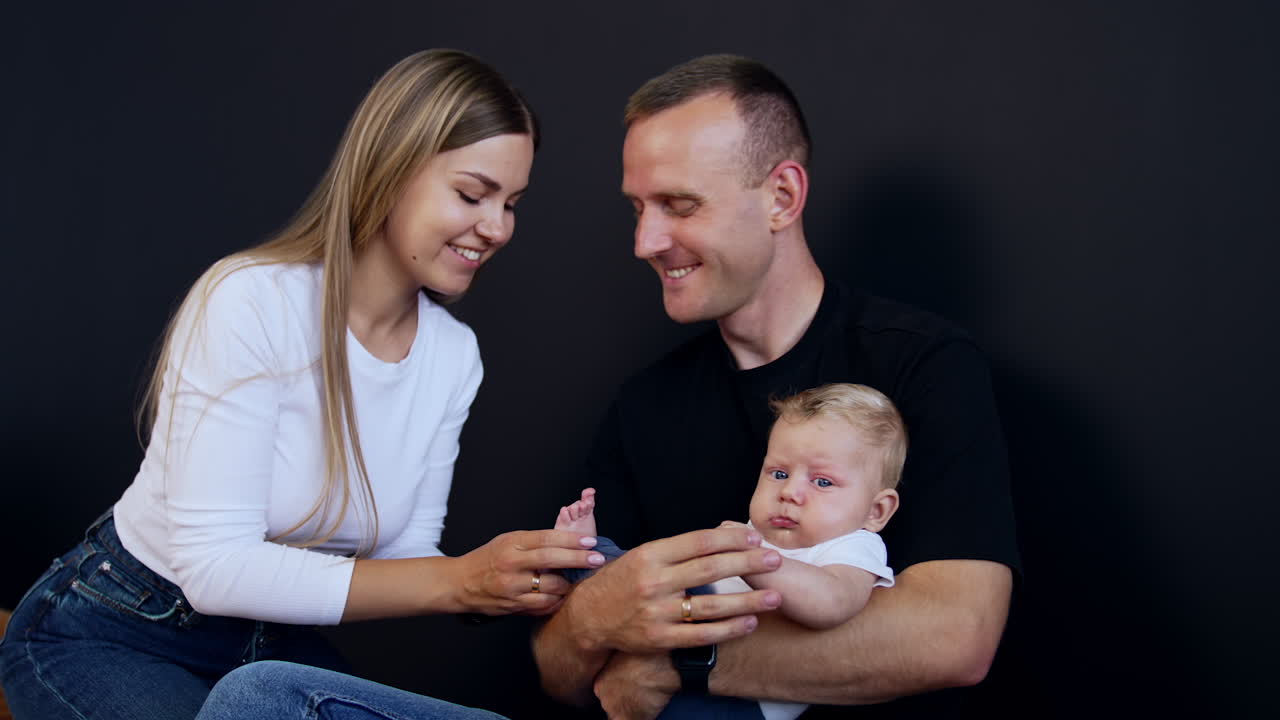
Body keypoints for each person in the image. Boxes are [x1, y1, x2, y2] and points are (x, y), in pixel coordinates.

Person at [0, 49, 602, 720]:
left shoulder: (453, 355)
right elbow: (216, 569)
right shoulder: (251, 301)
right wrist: (461, 582)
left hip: (267, 650)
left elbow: (405, 556)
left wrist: (513, 577)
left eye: (511, 203)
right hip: (121, 626)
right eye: (471, 194)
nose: (497, 228)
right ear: (390, 170)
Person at [531, 54, 1020, 718]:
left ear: (782, 198)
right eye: (638, 208)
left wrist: (676, 661)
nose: (645, 241)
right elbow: (556, 668)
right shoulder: (644, 406)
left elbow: (956, 636)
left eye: (679, 204)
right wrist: (593, 613)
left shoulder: (925, 363)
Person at [554, 382, 907, 720]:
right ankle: (588, 555)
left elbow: (834, 603)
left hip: (737, 701)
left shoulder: (853, 545)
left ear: (875, 511)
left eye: (823, 482)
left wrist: (755, 559)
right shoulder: (761, 530)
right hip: (679, 638)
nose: (789, 492)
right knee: (642, 573)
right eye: (779, 473)